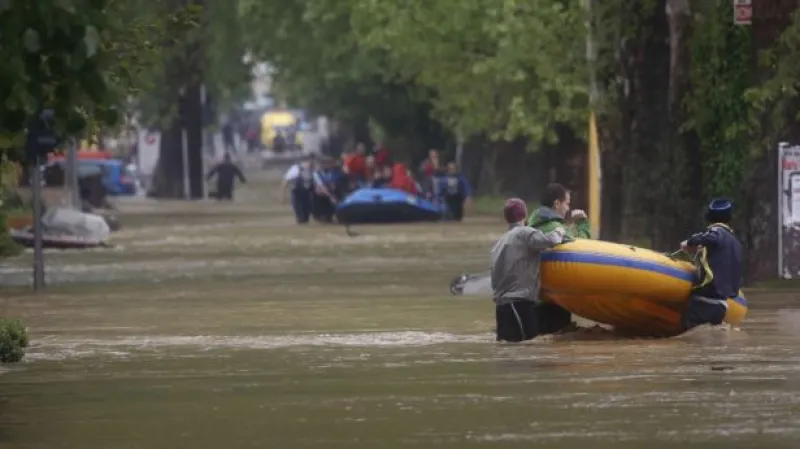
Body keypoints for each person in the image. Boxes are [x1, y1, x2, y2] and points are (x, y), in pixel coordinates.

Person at [491, 198, 570, 342]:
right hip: (518, 305)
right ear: (525, 214)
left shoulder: (500, 241)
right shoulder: (524, 233)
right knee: (527, 347)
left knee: (509, 350)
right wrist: (560, 230)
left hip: (502, 307)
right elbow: (552, 240)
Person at [679, 198, 743, 331]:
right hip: (721, 305)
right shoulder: (734, 241)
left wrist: (689, 242)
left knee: (688, 338)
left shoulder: (716, 232)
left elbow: (710, 237)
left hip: (705, 301)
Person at [527, 183, 592, 239]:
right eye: (567, 204)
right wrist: (582, 222)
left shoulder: (533, 224)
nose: (568, 208)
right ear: (557, 204)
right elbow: (580, 247)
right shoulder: (557, 229)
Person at [281, 155, 316, 224]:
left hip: (307, 193)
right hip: (297, 193)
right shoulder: (295, 169)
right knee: (300, 215)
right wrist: (283, 194)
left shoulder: (313, 170)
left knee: (307, 214)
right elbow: (286, 180)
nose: (311, 164)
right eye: (310, 162)